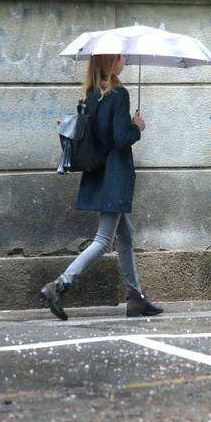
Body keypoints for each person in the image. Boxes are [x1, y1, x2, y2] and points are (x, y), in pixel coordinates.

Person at [40, 53, 163, 320]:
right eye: (121, 56)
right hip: (114, 177)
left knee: (126, 236)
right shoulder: (118, 95)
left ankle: (136, 298)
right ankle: (59, 285)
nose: (125, 60)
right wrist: (136, 127)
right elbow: (120, 139)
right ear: (110, 61)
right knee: (103, 240)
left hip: (98, 174)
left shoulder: (89, 95)